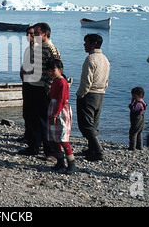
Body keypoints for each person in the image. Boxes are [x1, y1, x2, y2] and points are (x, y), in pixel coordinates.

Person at [18, 22, 60, 161]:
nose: (34, 35)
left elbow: (55, 72)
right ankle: (33, 147)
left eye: (37, 33)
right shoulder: (37, 48)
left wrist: (48, 90)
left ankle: (50, 152)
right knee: (31, 118)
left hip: (42, 88)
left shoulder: (51, 50)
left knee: (44, 121)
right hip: (32, 86)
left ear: (45, 34)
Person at [76, 33, 110, 161]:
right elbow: (106, 80)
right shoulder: (105, 59)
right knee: (94, 123)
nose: (84, 45)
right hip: (100, 94)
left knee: (86, 125)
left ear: (93, 44)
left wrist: (80, 94)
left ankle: (98, 150)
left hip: (90, 94)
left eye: (86, 42)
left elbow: (86, 81)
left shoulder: (90, 59)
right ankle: (91, 150)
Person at [46, 58, 77, 174]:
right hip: (54, 108)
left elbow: (62, 100)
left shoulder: (62, 82)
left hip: (61, 111)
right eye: (48, 71)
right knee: (55, 138)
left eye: (53, 70)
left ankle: (71, 163)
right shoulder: (54, 82)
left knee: (63, 138)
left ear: (60, 70)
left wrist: (55, 113)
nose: (50, 73)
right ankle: (60, 162)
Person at [19, 25, 35, 143]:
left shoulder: (39, 50)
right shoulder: (28, 49)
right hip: (26, 83)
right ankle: (28, 134)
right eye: (27, 34)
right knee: (27, 112)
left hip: (33, 85)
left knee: (33, 113)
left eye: (31, 34)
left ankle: (34, 138)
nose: (28, 36)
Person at [128, 86, 147, 151]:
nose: (133, 97)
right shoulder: (143, 102)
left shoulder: (138, 104)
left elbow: (133, 109)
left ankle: (132, 147)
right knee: (139, 133)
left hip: (137, 120)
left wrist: (132, 102)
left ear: (140, 95)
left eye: (134, 95)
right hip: (141, 119)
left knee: (133, 133)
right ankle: (139, 146)